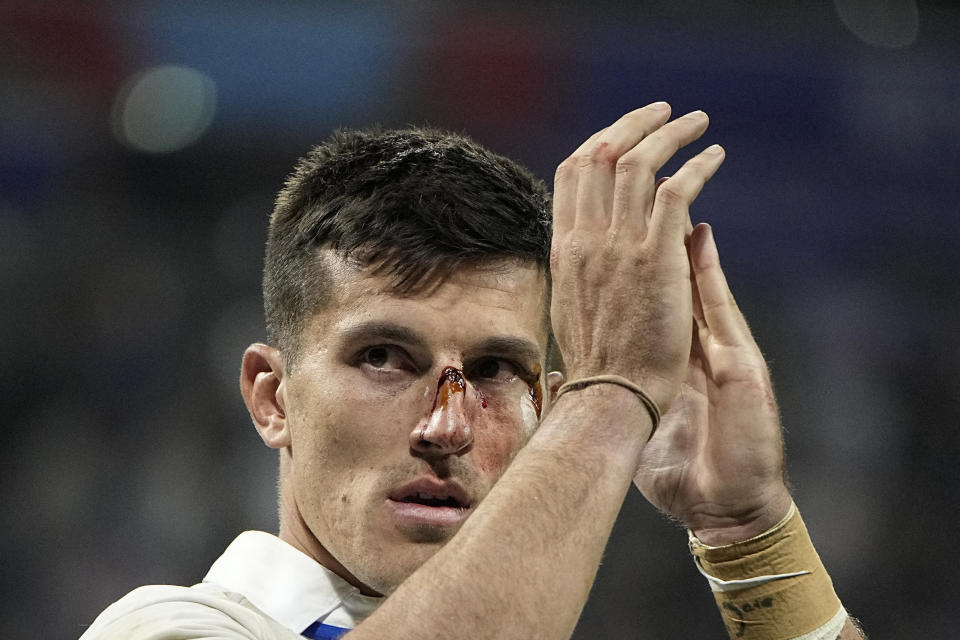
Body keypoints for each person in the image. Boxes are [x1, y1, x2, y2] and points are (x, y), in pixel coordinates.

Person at [80, 103, 867, 640]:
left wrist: (749, 535)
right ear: (272, 397)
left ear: (545, 411)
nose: (446, 426)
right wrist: (615, 395)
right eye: (383, 358)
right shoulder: (164, 627)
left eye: (492, 370)